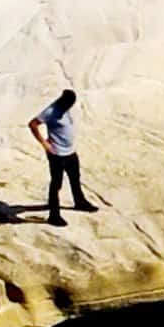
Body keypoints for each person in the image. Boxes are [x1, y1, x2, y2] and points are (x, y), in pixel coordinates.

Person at [28, 89, 95, 227]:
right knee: (56, 184)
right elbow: (33, 124)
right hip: (57, 154)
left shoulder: (65, 109)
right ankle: (54, 215)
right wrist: (44, 143)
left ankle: (80, 202)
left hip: (70, 152)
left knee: (75, 178)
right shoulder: (51, 111)